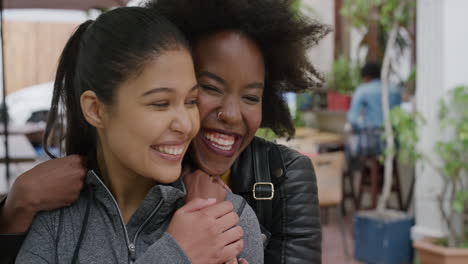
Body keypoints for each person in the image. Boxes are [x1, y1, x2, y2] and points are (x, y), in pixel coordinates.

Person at [1, 0, 328, 263]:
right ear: (96, 109)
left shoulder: (235, 214)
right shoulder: (55, 219)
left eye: (189, 101)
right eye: (160, 103)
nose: (187, 123)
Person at [150, 0, 328, 263]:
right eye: (211, 88)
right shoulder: (144, 166)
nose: (231, 114)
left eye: (251, 97)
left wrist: (208, 213)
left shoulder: (286, 176)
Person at [346, 62, 402, 158]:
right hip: (392, 141)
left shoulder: (362, 90)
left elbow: (352, 118)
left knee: (349, 144)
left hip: (370, 143)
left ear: (366, 77)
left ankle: (359, 170)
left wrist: (360, 126)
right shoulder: (394, 90)